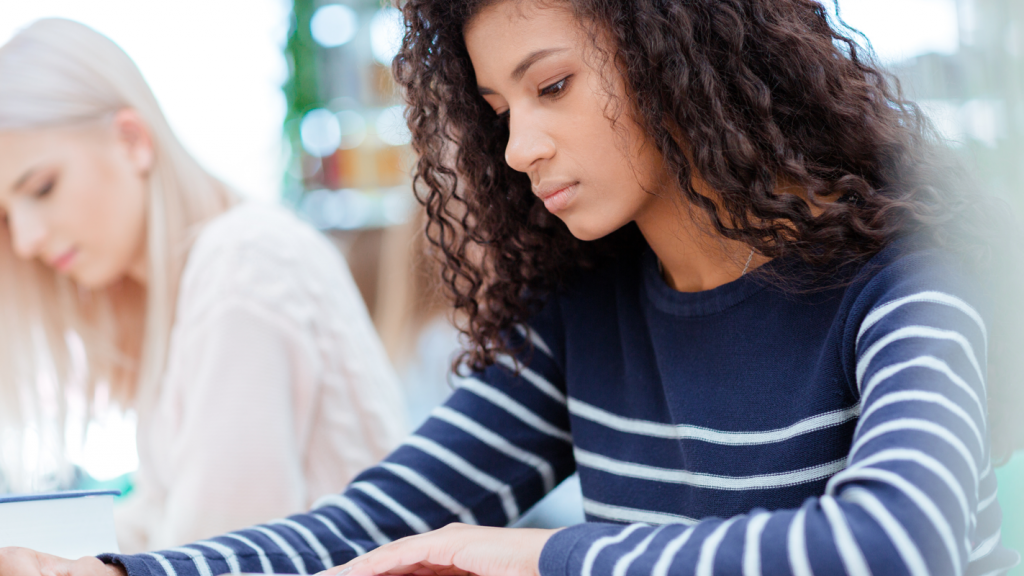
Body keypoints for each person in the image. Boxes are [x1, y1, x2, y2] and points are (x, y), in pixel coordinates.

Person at [3, 0, 1023, 575]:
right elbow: (369, 526)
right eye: (496, 108)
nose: (520, 145)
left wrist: (533, 559)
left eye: (552, 86)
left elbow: (893, 543)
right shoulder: (581, 318)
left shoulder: (904, 277)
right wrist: (107, 575)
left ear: (682, 51)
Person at [0, 18, 405, 552]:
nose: (26, 241)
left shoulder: (242, 264)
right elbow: (161, 521)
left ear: (131, 140)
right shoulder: (188, 290)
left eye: (43, 188)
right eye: (6, 218)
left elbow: (211, 554)